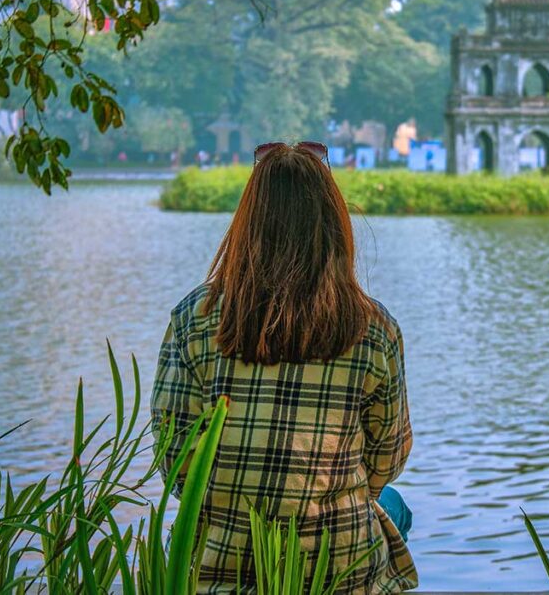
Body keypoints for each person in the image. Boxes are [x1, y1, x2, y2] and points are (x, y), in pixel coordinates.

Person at [151, 141, 417, 593]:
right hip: (339, 575)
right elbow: (386, 459)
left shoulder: (193, 318)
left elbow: (176, 461)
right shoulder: (374, 328)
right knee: (394, 503)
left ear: (249, 223)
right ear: (332, 224)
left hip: (217, 574)